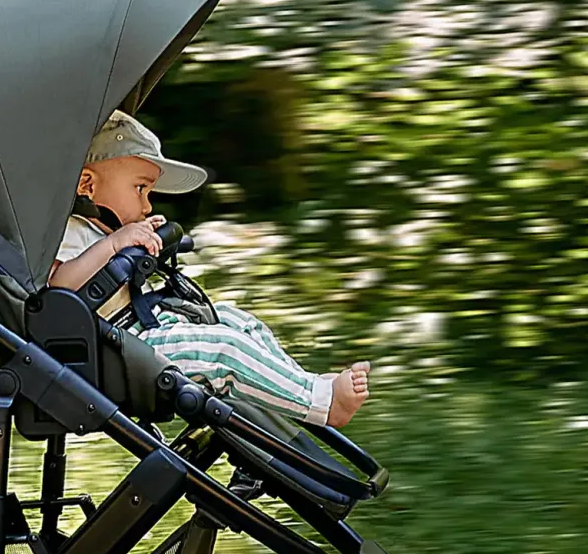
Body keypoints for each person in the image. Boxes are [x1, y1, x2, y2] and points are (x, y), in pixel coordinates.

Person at [51, 111, 373, 429]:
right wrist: (114, 245)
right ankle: (322, 403)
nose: (148, 205)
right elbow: (58, 289)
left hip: (149, 326)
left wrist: (139, 243)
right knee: (224, 350)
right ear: (87, 185)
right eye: (140, 189)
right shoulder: (64, 232)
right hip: (120, 351)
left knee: (240, 323)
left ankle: (301, 388)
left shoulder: (105, 232)